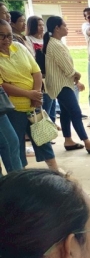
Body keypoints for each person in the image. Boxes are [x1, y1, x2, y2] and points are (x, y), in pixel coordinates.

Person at [0, 20, 59, 172]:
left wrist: (36, 94)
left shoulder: (19, 47)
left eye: (9, 35)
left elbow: (36, 71)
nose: (7, 40)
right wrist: (29, 94)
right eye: (2, 36)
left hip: (34, 103)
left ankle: (55, 172)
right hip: (13, 108)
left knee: (43, 139)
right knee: (16, 143)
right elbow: (2, 85)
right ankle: (22, 176)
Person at [42, 16, 90, 155]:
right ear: (57, 28)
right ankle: (87, 142)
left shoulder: (56, 42)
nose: (67, 28)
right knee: (75, 112)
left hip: (63, 83)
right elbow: (68, 69)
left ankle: (68, 140)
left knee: (66, 112)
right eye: (64, 25)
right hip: (61, 85)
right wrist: (78, 76)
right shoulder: (55, 45)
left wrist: (75, 79)